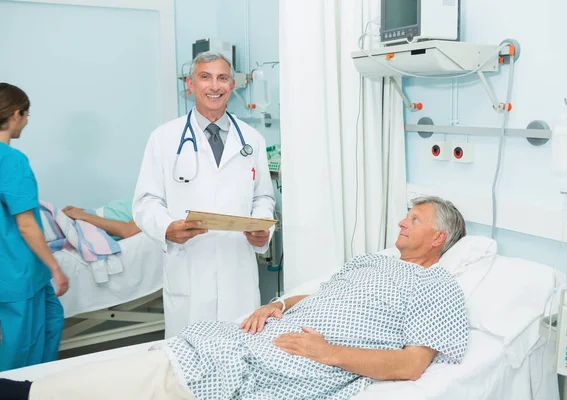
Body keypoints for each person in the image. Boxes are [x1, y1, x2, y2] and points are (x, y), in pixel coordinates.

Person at [0, 196, 469, 400]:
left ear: (438, 239)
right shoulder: (373, 261)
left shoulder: (436, 286)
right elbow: (323, 292)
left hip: (300, 361)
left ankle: (31, 393)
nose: (403, 222)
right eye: (406, 214)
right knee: (165, 361)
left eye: (415, 219)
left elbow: (411, 365)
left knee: (164, 376)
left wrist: (328, 353)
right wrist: (281, 304)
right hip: (270, 334)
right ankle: (35, 391)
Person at [132, 52, 275, 337]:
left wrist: (262, 228)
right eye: (205, 77)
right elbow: (147, 201)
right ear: (190, 84)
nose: (214, 86)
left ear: (232, 85)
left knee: (240, 354)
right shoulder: (164, 138)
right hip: (190, 266)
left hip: (238, 270)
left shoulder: (252, 139)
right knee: (189, 360)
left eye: (222, 78)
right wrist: (166, 228)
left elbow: (263, 198)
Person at [0, 83, 69, 372]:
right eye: (26, 115)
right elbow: (26, 223)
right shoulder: (12, 160)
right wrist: (55, 267)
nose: (26, 122)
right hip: (19, 275)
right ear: (17, 114)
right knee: (20, 357)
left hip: (25, 275)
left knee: (52, 320)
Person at [61, 199, 141, 241]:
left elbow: (128, 231)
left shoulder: (152, 207)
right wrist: (82, 212)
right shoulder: (146, 196)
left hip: (90, 224)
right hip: (90, 216)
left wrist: (84, 215)